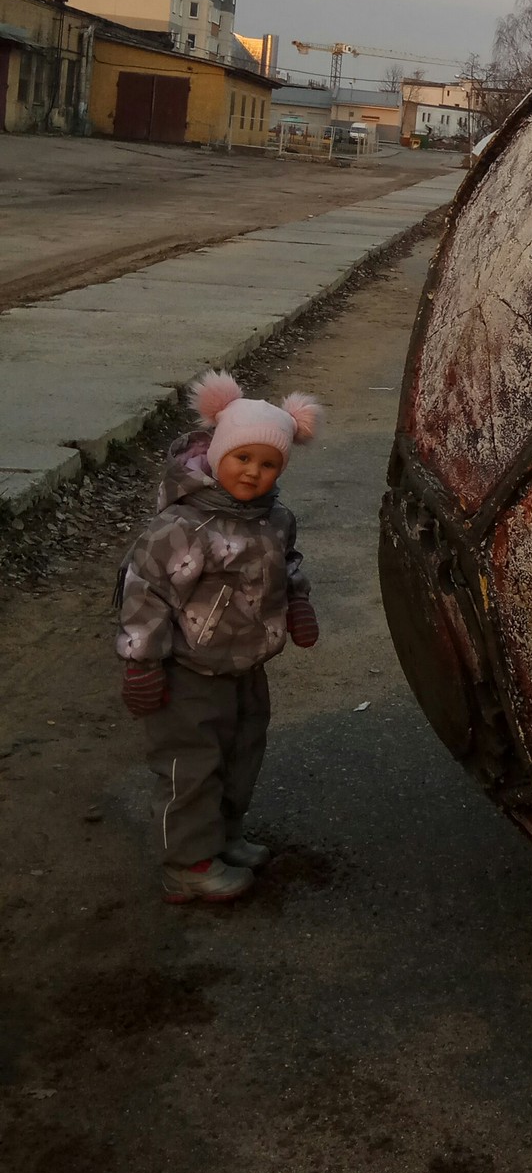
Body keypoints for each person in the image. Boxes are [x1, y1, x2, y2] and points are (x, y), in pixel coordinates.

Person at [115, 370, 323, 903]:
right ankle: (186, 862)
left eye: (268, 463)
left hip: (245, 665)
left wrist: (296, 603)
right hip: (187, 671)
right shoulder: (184, 527)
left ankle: (222, 837)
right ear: (217, 454)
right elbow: (144, 594)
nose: (253, 473)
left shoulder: (275, 519)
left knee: (241, 752)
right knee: (191, 765)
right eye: (242, 458)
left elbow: (287, 566)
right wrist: (141, 664)